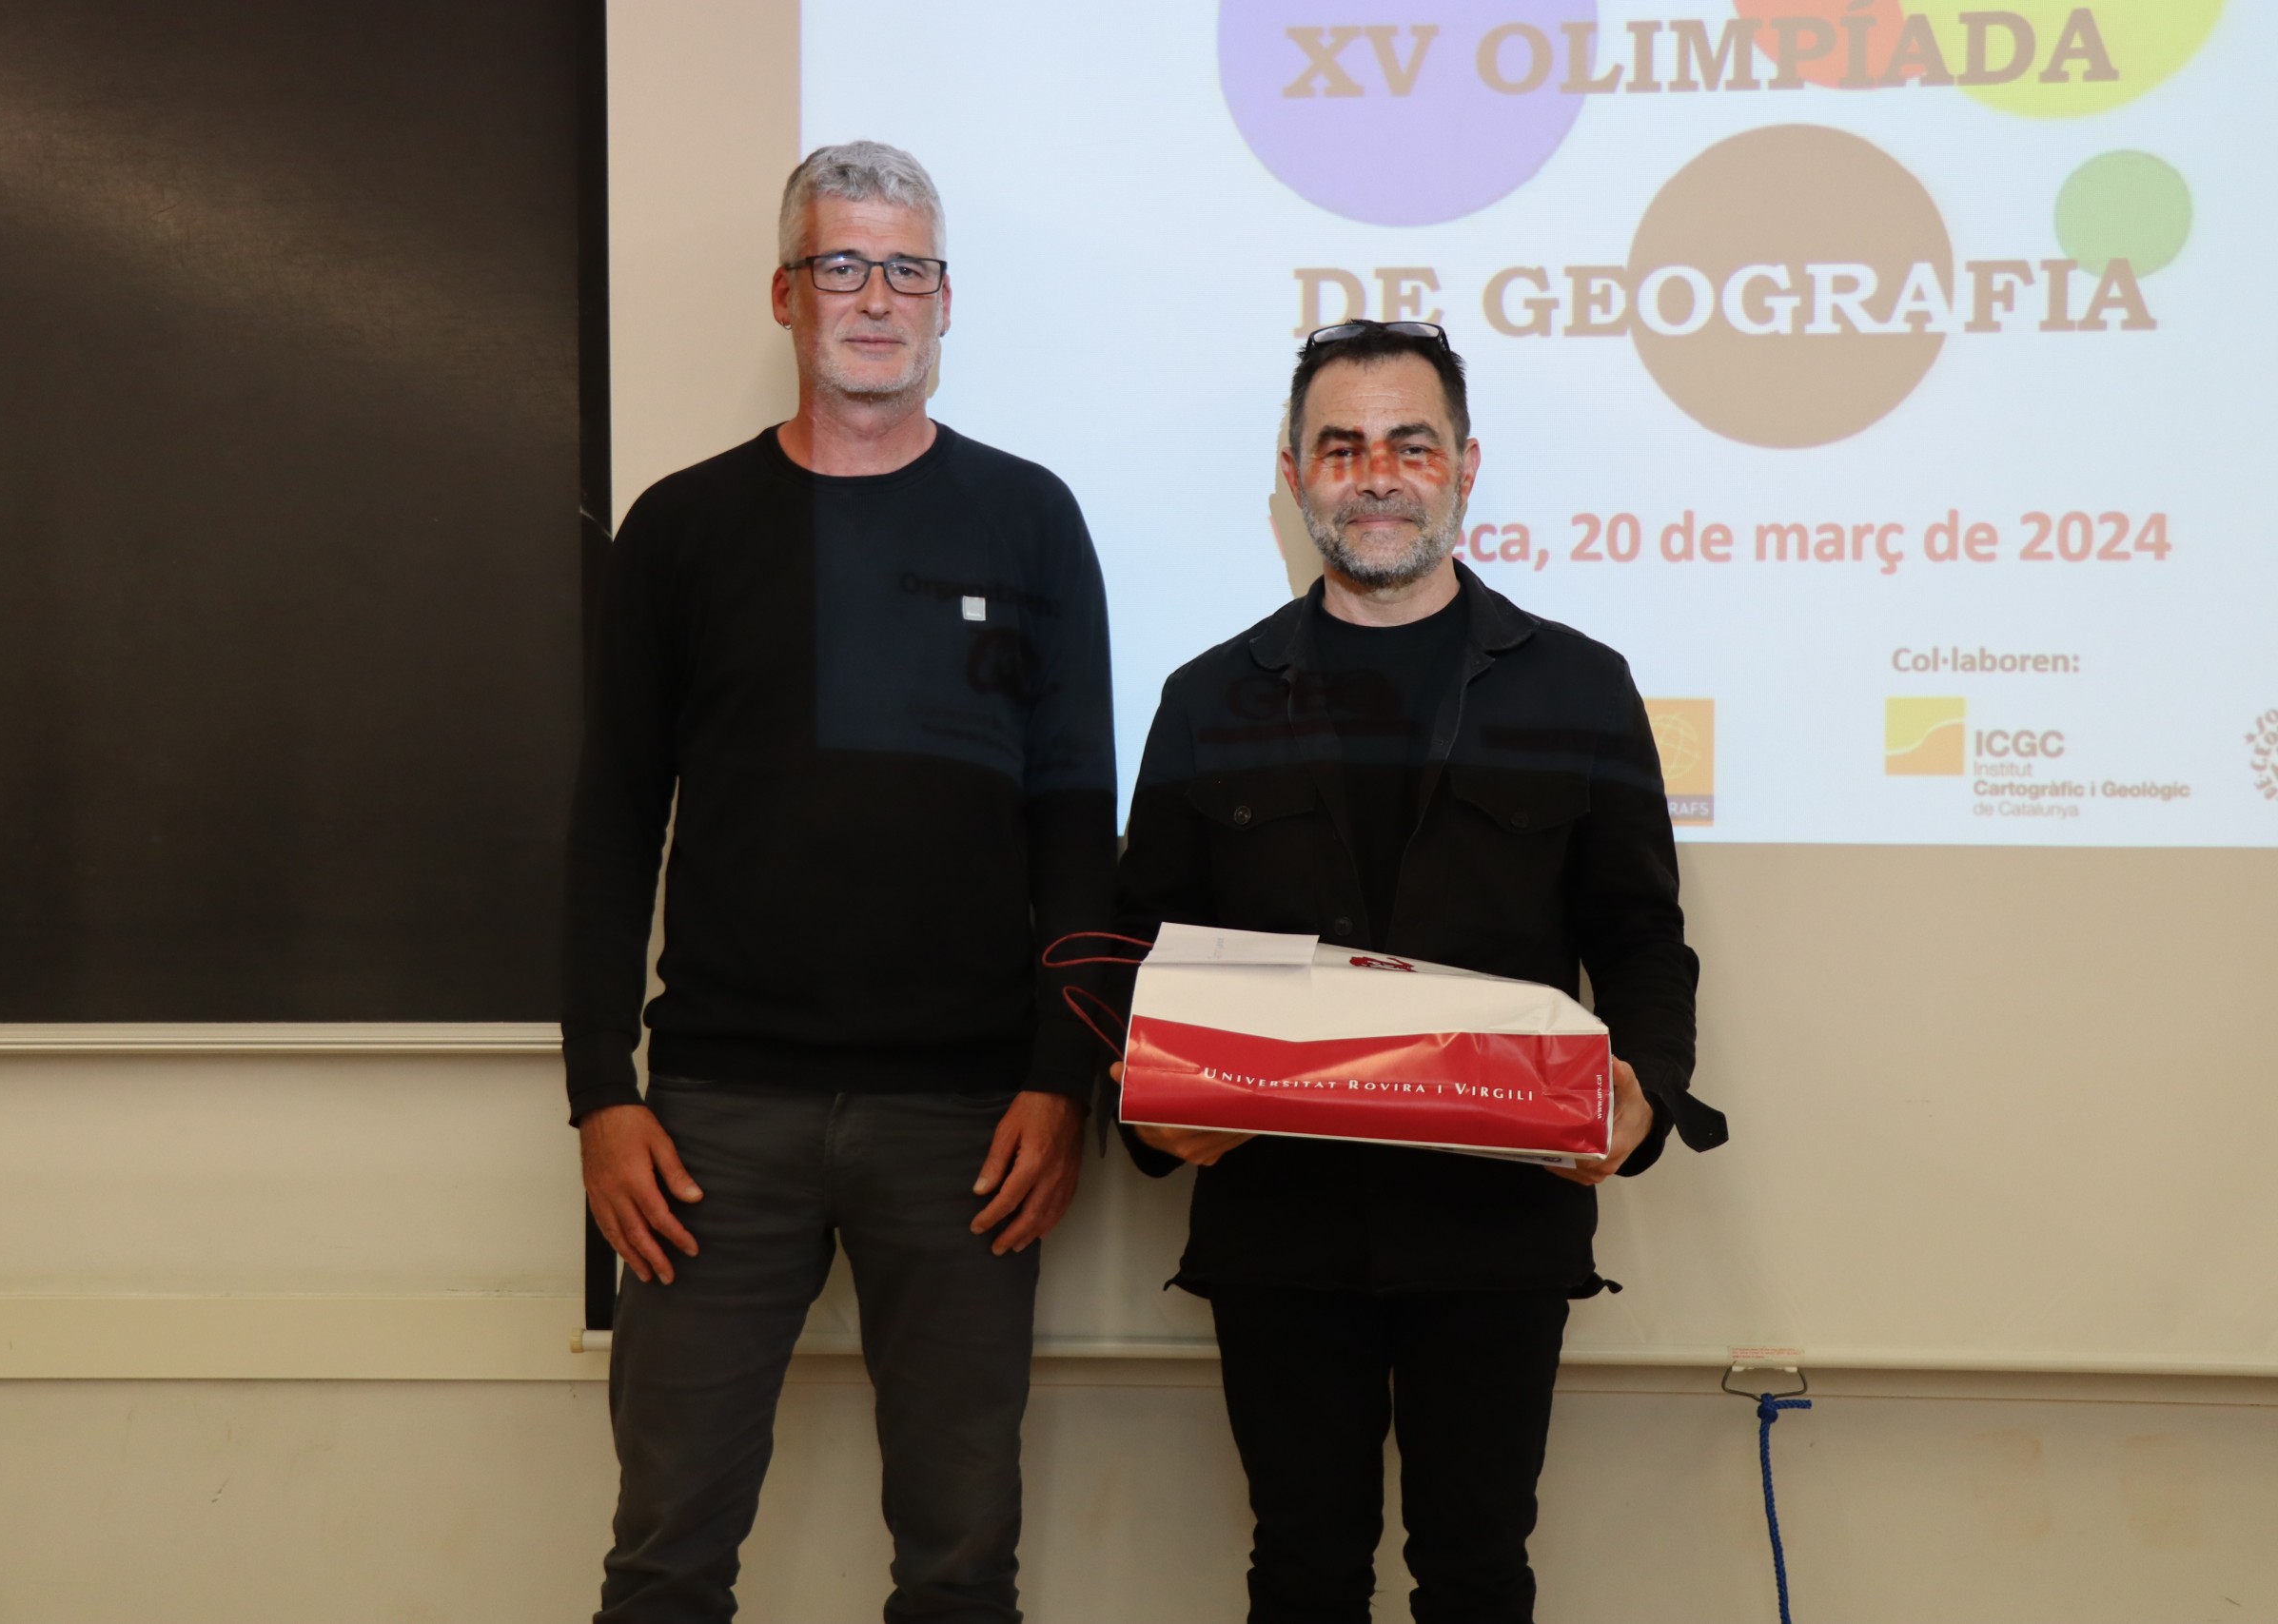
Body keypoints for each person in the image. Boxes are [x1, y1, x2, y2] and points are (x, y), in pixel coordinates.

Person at [562, 141, 1116, 1624]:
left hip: (969, 1125)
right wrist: (600, 1094)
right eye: (843, 265)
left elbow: (1079, 826)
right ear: (785, 295)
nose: (877, 298)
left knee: (961, 1567)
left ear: (947, 300)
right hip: (713, 1121)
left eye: (907, 269)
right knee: (664, 1562)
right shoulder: (681, 529)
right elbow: (612, 825)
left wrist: (1062, 1077)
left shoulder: (1030, 519)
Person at [1112, 320, 1728, 1624]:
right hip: (1280, 1224)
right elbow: (1140, 949)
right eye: (1342, 447)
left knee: (1477, 1573)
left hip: (1498, 1223)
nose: (1377, 474)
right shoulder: (1209, 698)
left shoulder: (1578, 687)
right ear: (1294, 474)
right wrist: (1148, 1106)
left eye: (1411, 443)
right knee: (1301, 1571)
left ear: (1466, 465)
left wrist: (1644, 1090)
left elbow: (1640, 933)